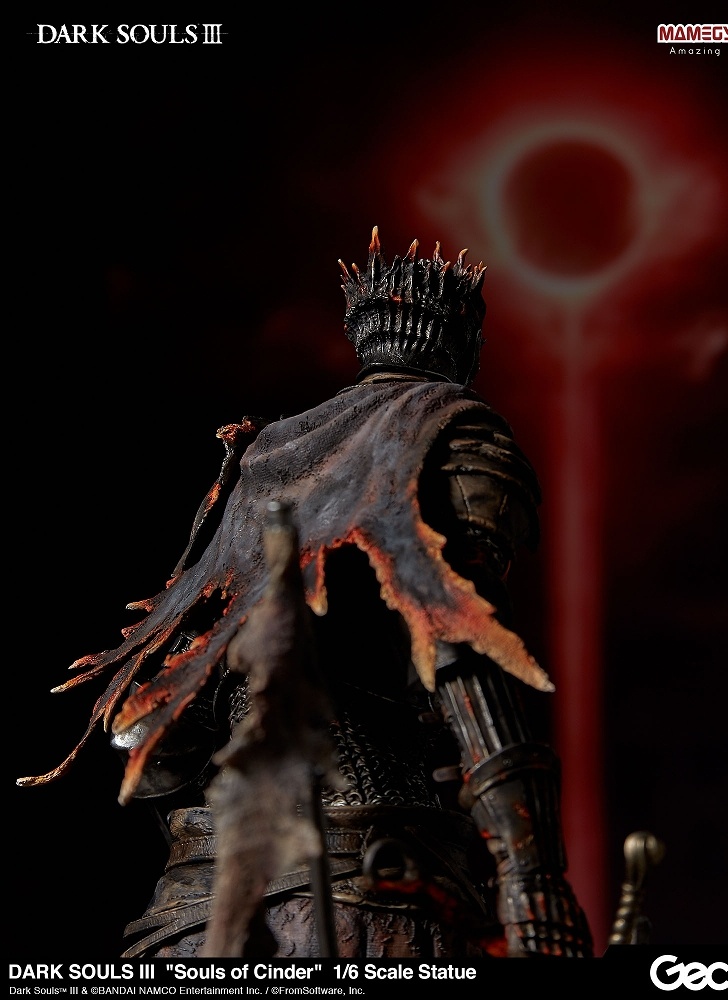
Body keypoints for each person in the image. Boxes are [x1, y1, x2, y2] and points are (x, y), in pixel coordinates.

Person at [18, 227, 593, 959]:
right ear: (466, 346)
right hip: (364, 893)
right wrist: (533, 876)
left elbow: (165, 735)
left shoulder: (263, 457)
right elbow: (459, 635)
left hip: (189, 908)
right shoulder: (450, 427)